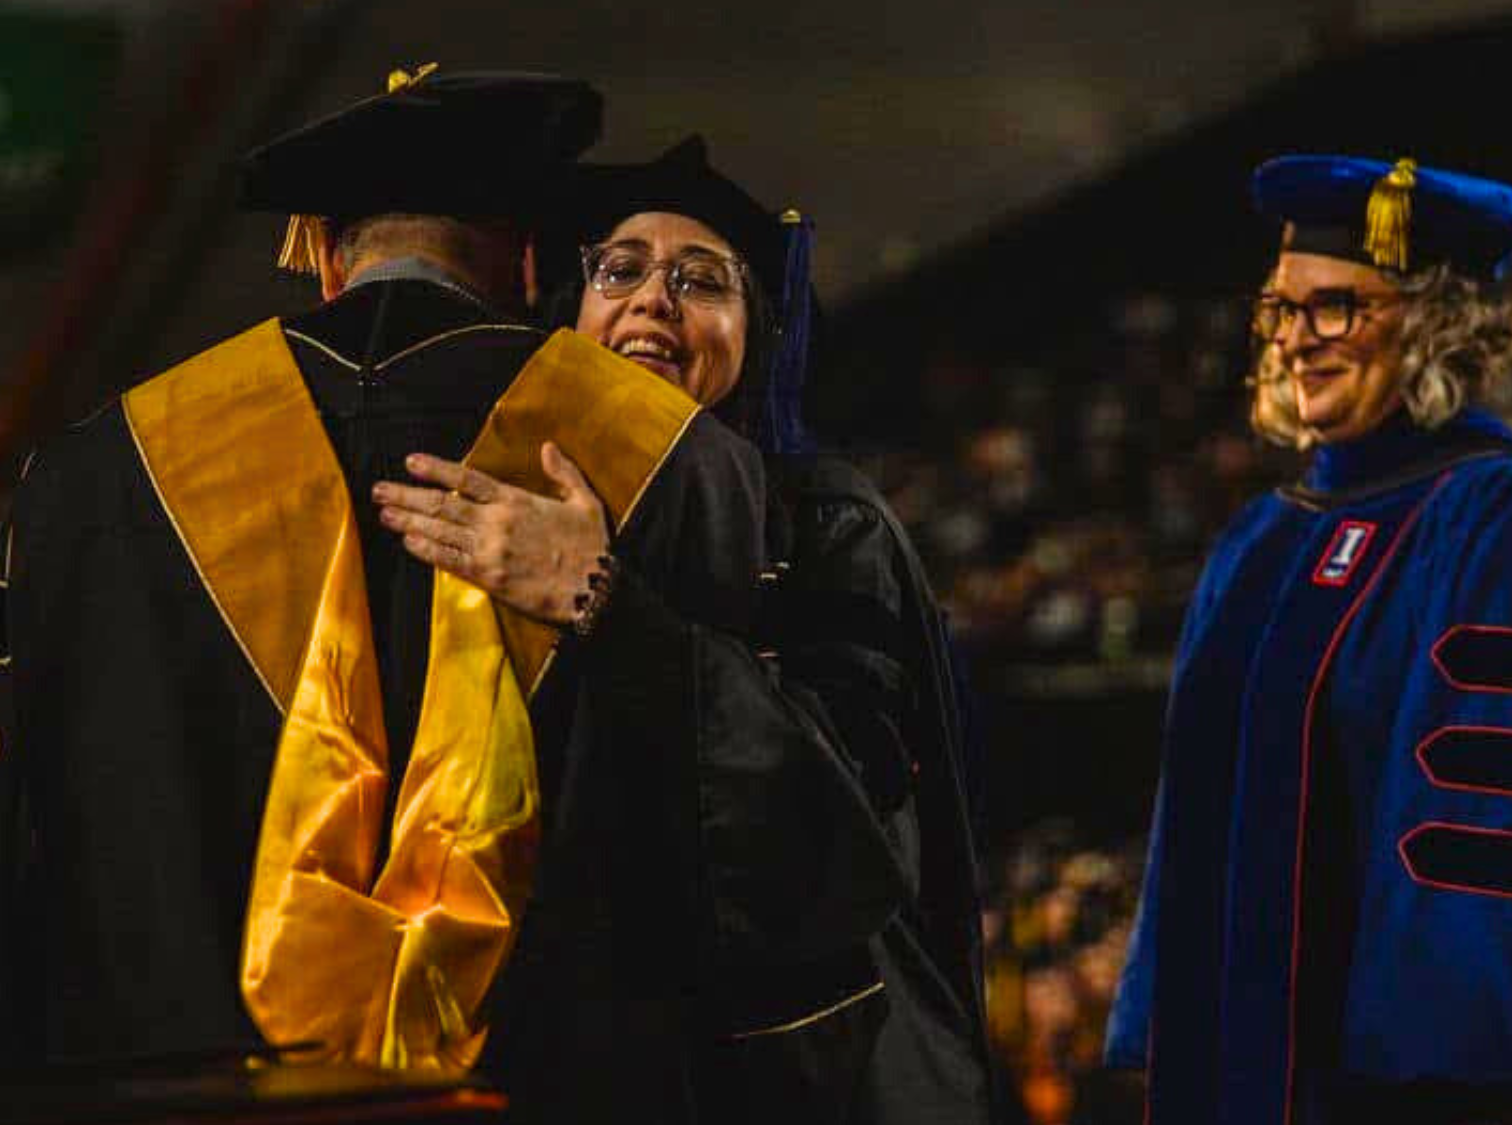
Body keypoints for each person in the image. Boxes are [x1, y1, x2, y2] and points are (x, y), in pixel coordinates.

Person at [0, 68, 770, 1081]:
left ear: (322, 251)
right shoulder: (669, 453)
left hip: (165, 1083)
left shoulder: (92, 471)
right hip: (557, 1083)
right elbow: (746, 834)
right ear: (526, 250)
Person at [373, 136, 994, 1123]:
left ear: (756, 339)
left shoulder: (823, 525)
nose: (654, 298)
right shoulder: (486, 505)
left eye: (701, 282)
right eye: (619, 270)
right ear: (568, 312)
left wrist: (604, 606)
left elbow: (840, 827)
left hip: (772, 1071)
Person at [1105, 156, 1512, 1125]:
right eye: (1280, 312)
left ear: (1433, 321)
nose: (1295, 341)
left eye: (1333, 307)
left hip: (1406, 1094)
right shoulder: (1261, 537)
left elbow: (1507, 840)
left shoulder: (1499, 513)